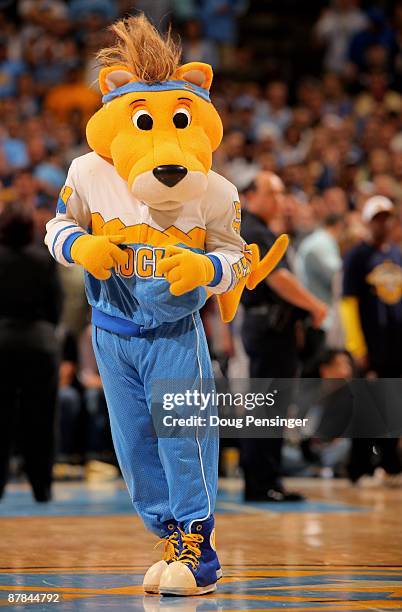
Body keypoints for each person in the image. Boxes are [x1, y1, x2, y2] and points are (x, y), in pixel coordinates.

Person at [240, 171, 328, 502]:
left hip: (272, 329)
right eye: (271, 192)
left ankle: (266, 479)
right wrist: (315, 305)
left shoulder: (262, 231)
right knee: (266, 406)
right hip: (268, 328)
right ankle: (262, 482)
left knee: (269, 405)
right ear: (251, 196)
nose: (278, 199)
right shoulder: (253, 230)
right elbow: (278, 279)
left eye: (280, 193)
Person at [0, 201, 62, 502]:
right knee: (40, 418)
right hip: (39, 344)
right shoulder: (44, 261)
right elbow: (55, 309)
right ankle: (42, 488)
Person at [341, 195, 402, 485]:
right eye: (377, 218)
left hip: (396, 346)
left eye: (387, 217)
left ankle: (389, 465)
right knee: (367, 408)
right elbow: (348, 304)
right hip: (371, 346)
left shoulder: (398, 255)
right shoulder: (357, 256)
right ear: (367, 222)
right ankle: (359, 468)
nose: (383, 224)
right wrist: (357, 347)